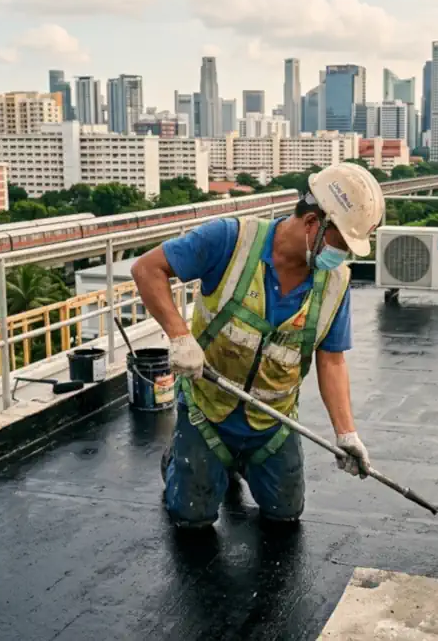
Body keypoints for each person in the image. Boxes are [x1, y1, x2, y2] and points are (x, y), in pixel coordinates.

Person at [131, 162, 384, 528]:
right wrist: (179, 335)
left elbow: (331, 360)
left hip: (272, 421)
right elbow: (147, 269)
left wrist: (346, 433)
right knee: (191, 518)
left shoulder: (335, 282)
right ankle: (180, 458)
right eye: (341, 243)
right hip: (208, 412)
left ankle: (238, 464)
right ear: (314, 222)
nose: (342, 256)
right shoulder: (231, 240)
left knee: (286, 514)